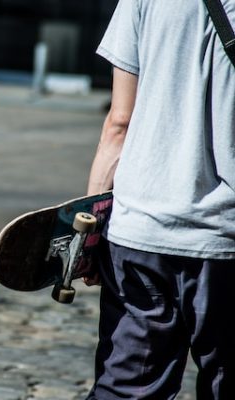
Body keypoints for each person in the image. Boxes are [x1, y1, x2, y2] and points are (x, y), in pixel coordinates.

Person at [85, 0, 235, 398]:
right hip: (226, 238)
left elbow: (119, 122)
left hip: (141, 230)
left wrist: (88, 229)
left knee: (128, 384)